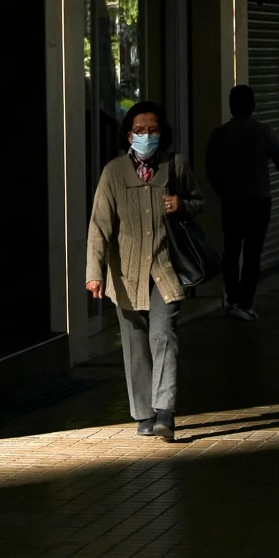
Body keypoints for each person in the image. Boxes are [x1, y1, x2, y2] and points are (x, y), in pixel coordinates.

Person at [86, 102, 204, 442]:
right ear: (129, 135)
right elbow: (99, 226)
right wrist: (94, 272)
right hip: (125, 273)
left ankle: (165, 411)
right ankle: (144, 413)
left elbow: (201, 202)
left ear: (162, 134)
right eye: (140, 130)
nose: (146, 136)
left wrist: (182, 205)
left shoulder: (175, 167)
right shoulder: (113, 173)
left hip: (165, 268)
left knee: (163, 335)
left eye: (153, 130)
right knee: (135, 342)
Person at [204, 84, 279, 322]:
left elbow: (210, 168)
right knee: (253, 252)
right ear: (253, 105)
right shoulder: (264, 132)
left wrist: (221, 190)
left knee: (232, 250)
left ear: (231, 106)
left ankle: (233, 298)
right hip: (259, 200)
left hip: (232, 201)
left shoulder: (219, 134)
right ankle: (245, 303)